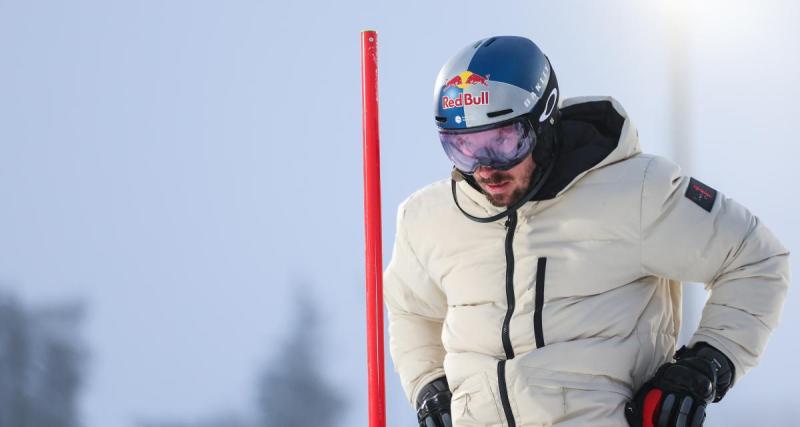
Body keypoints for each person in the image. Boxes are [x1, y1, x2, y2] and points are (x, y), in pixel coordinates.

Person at [383, 36, 789, 427]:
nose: (485, 168)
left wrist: (706, 364)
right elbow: (412, 309)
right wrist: (427, 384)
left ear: (542, 119)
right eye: (464, 147)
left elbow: (755, 258)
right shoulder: (428, 218)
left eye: (502, 141)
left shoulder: (635, 191)